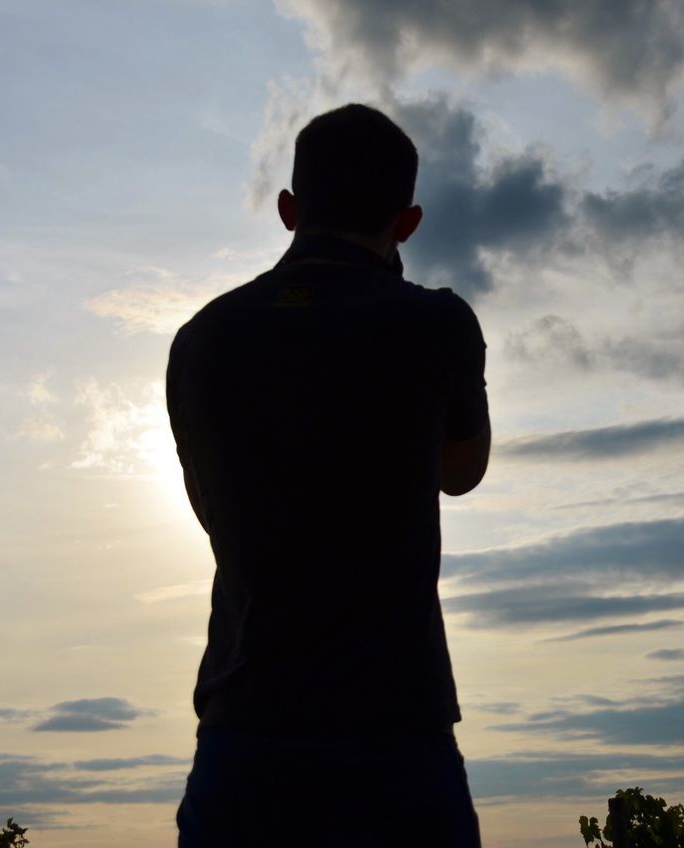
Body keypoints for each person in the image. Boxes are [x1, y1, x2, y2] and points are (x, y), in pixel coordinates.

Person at [167, 103, 489, 847]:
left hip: (244, 732)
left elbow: (209, 507)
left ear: (288, 209)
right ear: (407, 222)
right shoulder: (434, 323)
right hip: (395, 731)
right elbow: (462, 473)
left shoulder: (202, 338)